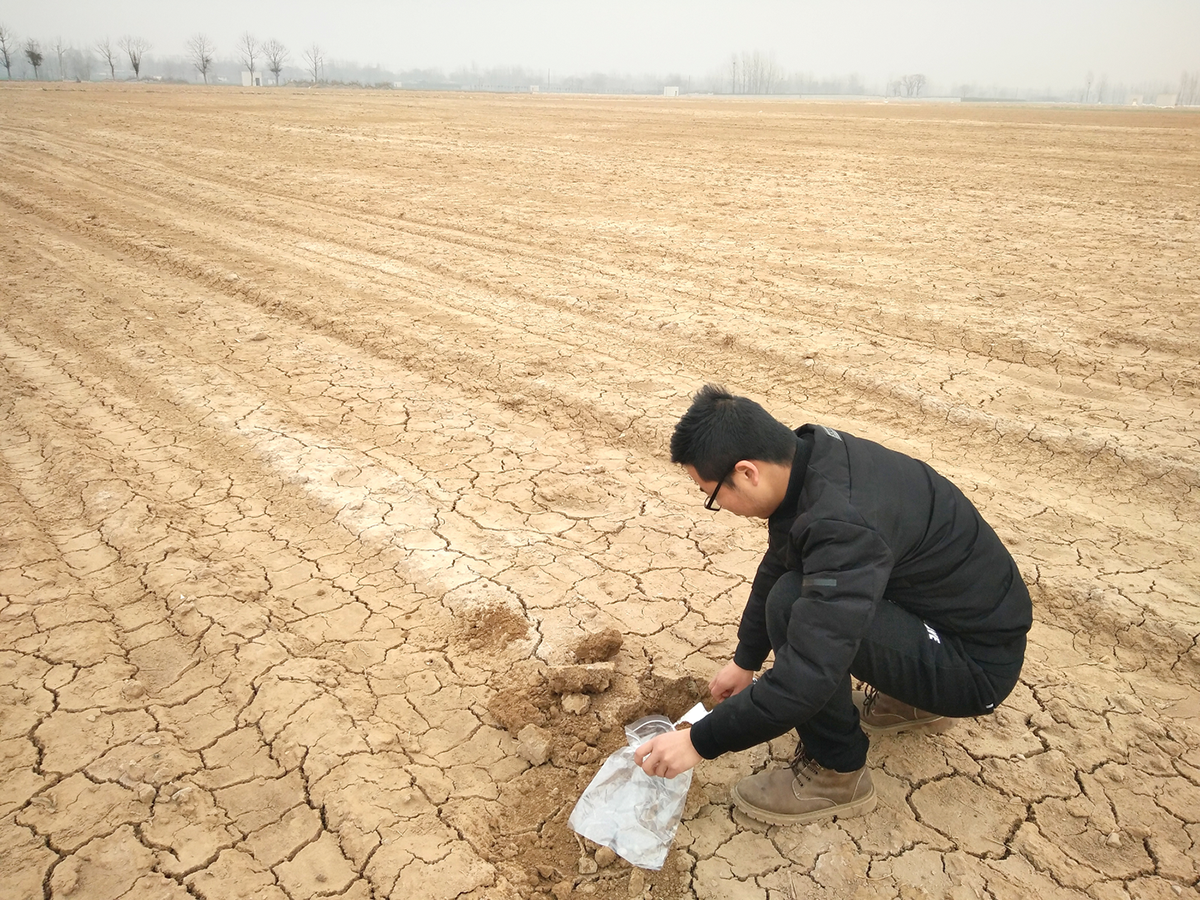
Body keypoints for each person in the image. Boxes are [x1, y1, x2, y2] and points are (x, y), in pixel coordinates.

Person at [633, 384, 1032, 825]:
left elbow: (808, 672)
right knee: (797, 590)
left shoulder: (842, 522)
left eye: (712, 495)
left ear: (747, 473)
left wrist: (697, 743)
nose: (718, 506)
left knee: (793, 605)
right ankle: (914, 701)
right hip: (948, 623)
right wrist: (745, 660)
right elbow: (781, 559)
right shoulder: (809, 457)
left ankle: (838, 773)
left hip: (975, 668)